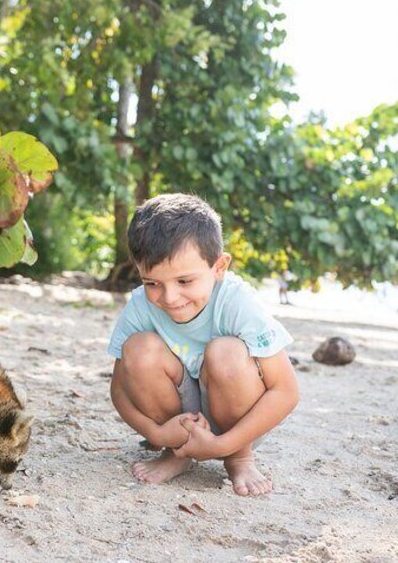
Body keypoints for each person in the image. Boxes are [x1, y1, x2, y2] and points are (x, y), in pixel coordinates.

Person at [108, 193, 299, 496]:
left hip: (239, 422)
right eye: (152, 283)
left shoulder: (237, 302)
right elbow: (118, 388)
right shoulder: (141, 306)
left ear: (219, 267)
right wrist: (157, 433)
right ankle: (175, 453)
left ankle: (239, 458)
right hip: (173, 421)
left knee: (226, 352)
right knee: (138, 349)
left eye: (185, 282)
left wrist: (225, 444)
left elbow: (286, 391)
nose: (169, 298)